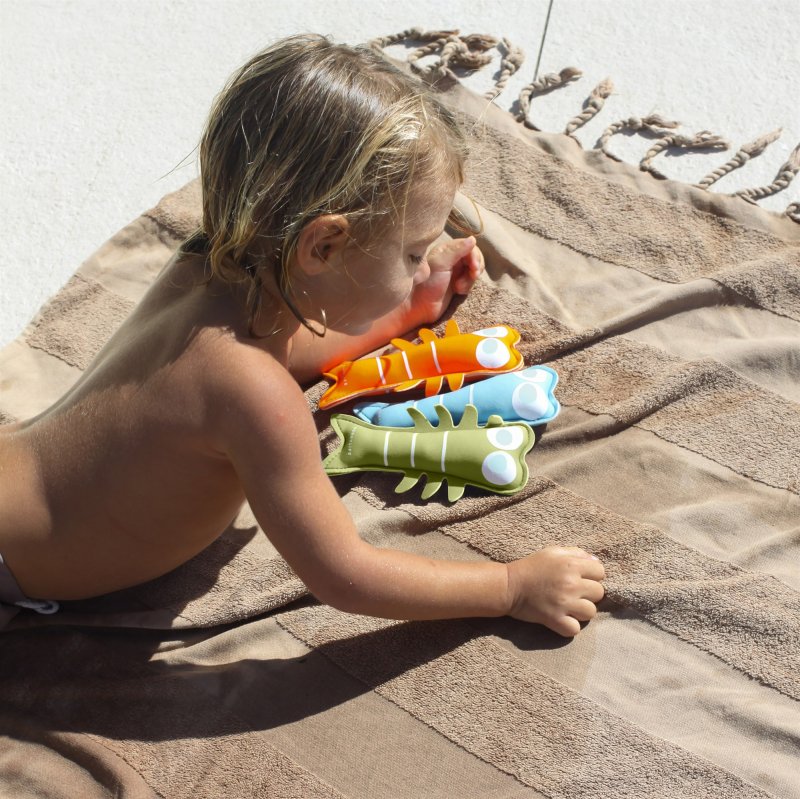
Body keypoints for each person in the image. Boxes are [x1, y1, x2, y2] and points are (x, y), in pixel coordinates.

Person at [0, 34, 604, 636]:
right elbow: (344, 574)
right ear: (324, 246)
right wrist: (511, 588)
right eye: (413, 253)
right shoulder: (257, 398)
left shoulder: (204, 263)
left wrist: (404, 311)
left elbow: (279, 344)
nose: (425, 266)